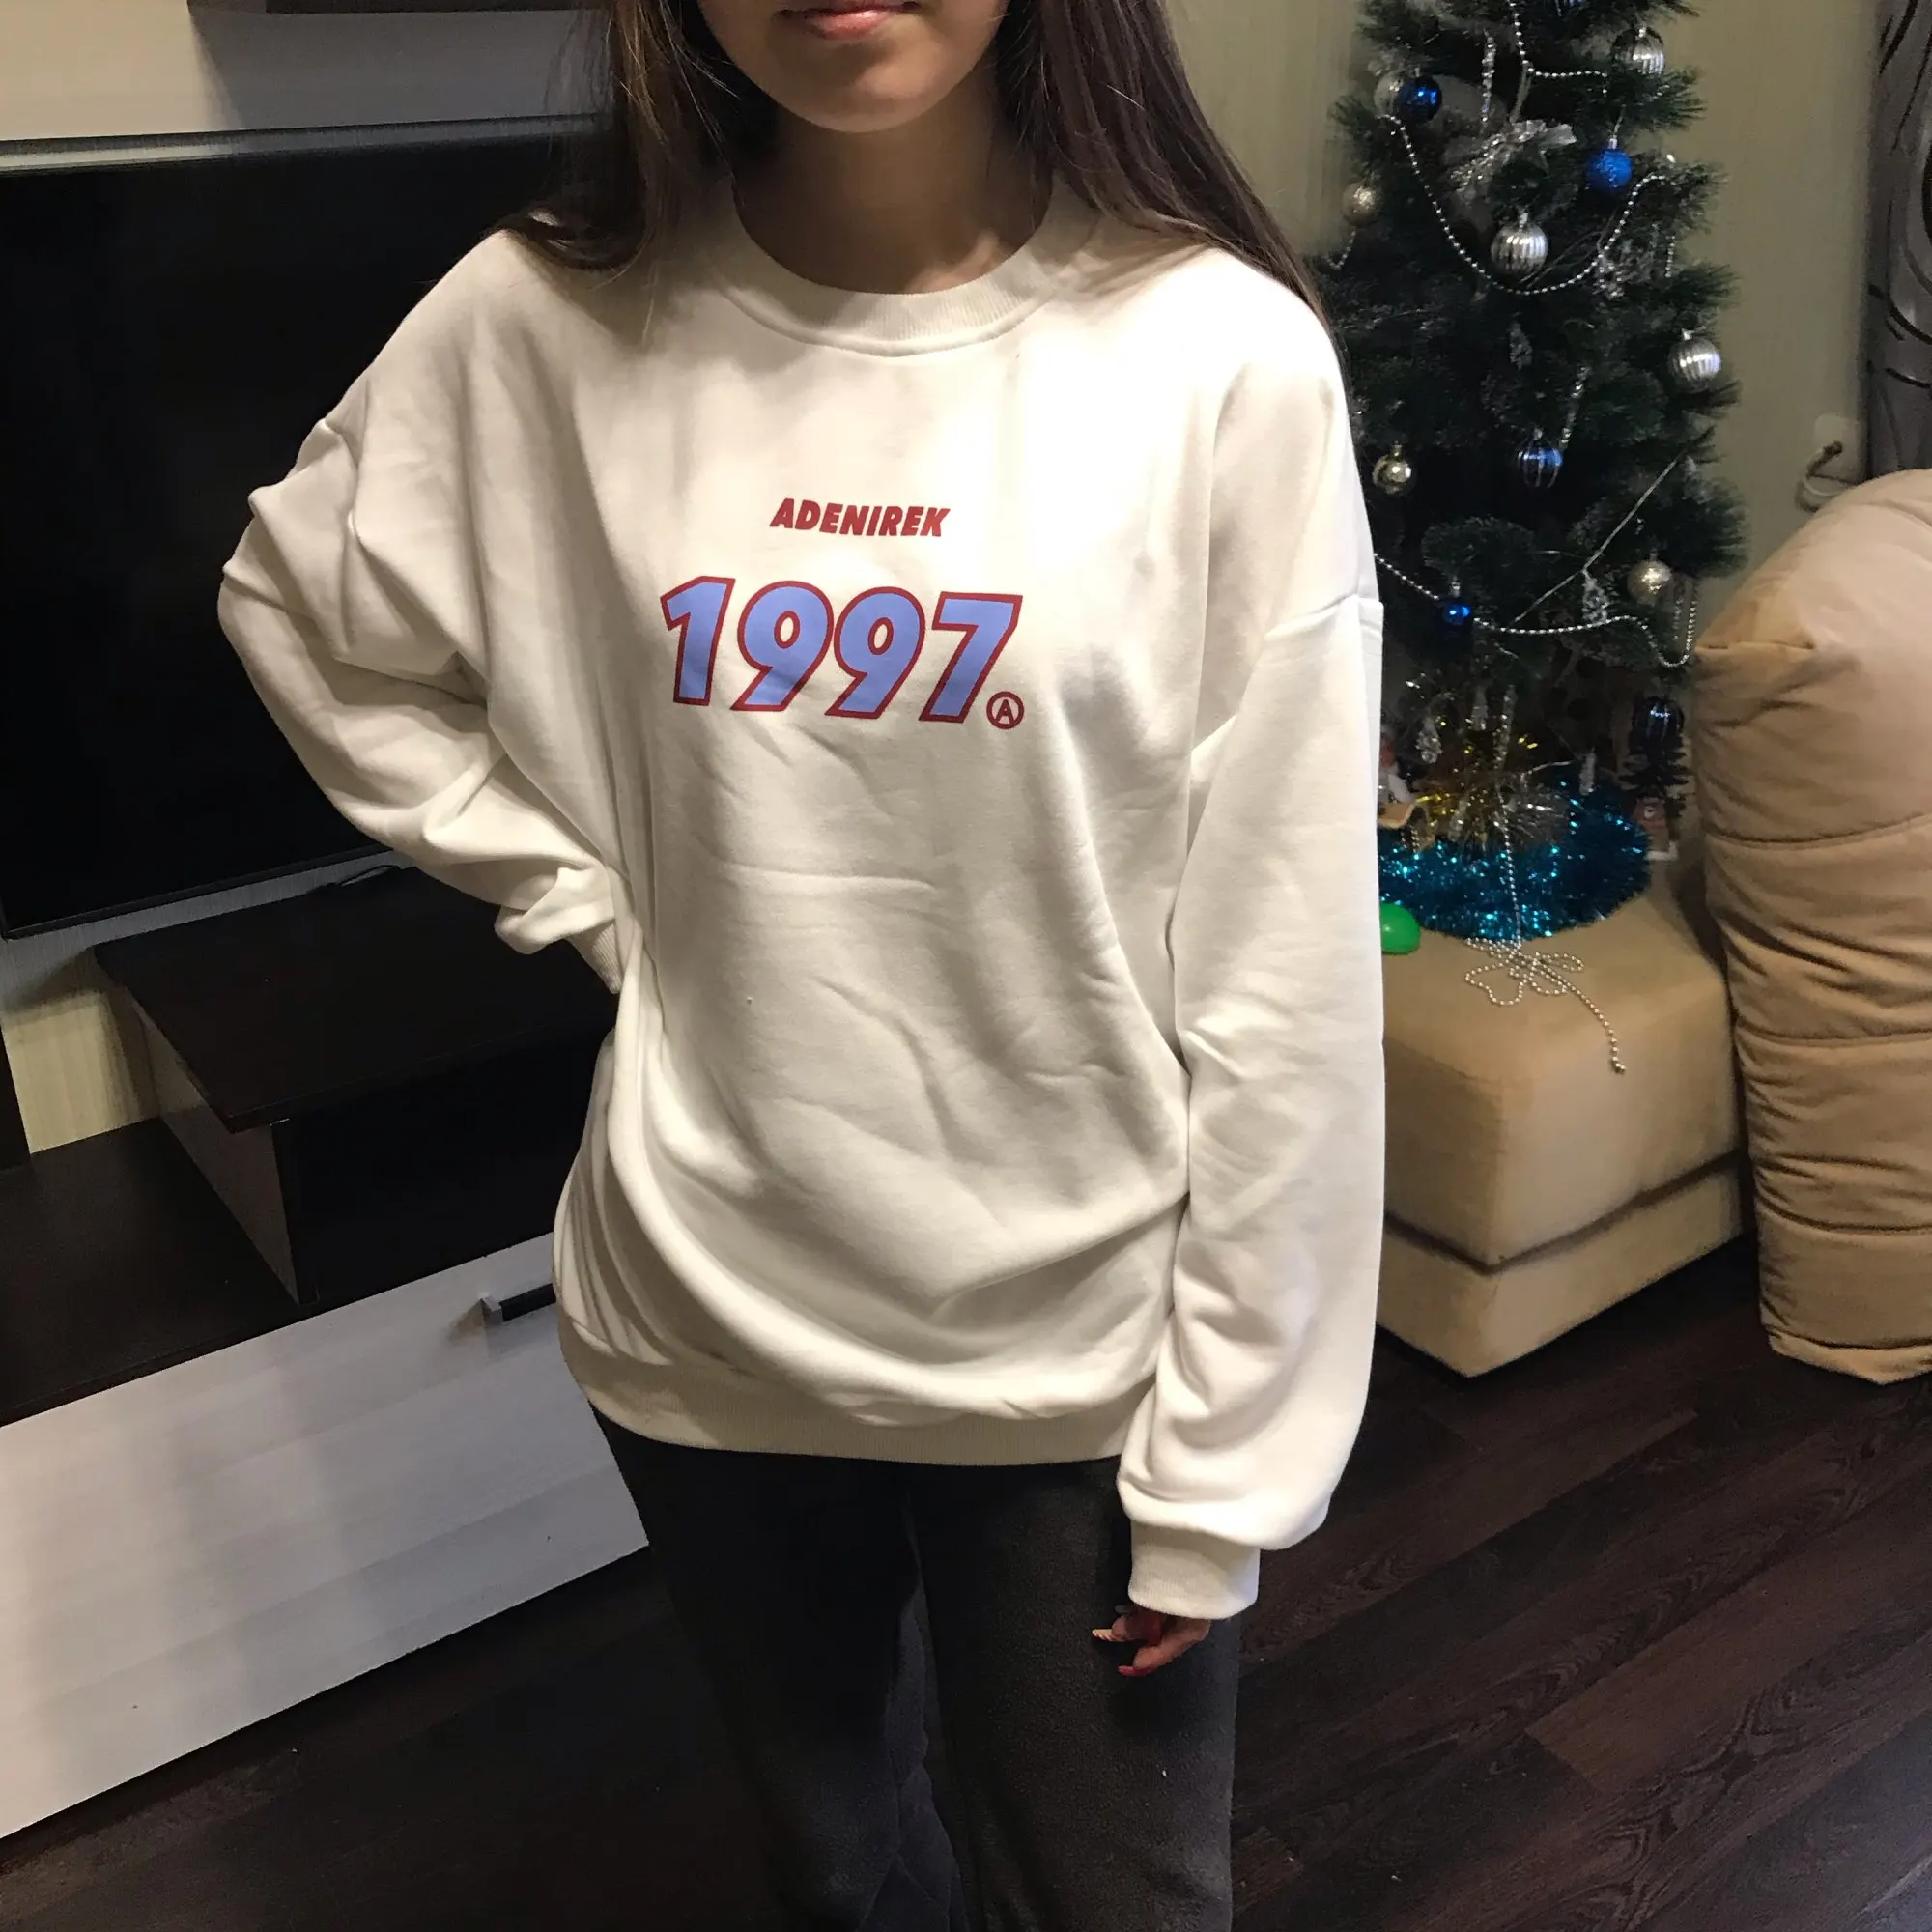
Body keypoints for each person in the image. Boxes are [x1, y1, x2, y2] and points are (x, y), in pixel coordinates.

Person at [217, 1, 1386, 1924]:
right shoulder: (544, 317)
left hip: (1079, 1349)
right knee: (845, 1868)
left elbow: (1286, 966)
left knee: (1115, 1899)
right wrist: (577, 888)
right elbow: (306, 609)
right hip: (709, 1308)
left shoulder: (1216, 356)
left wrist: (1231, 1465)